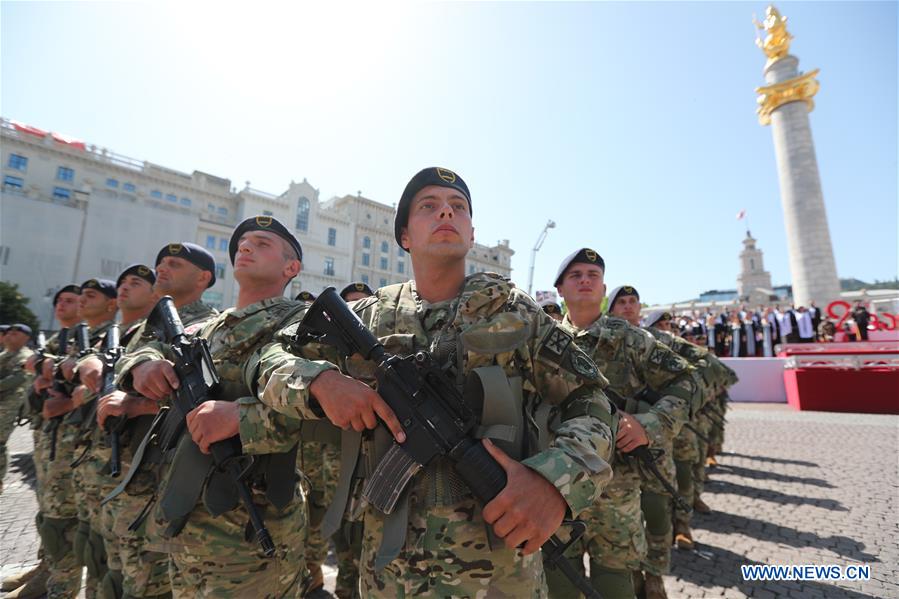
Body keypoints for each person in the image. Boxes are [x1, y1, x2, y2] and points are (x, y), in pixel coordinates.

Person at [248, 167, 616, 598]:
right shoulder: (370, 315)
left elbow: (591, 401)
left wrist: (556, 481)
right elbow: (265, 359)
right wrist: (319, 382)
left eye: (458, 207)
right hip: (390, 575)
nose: (446, 211)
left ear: (472, 233)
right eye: (429, 206)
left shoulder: (513, 311)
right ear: (404, 235)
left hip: (497, 573)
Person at [114, 217, 333, 597]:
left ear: (291, 268)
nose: (245, 247)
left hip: (251, 529)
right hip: (183, 516)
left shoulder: (302, 326)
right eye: (242, 244)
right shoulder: (206, 328)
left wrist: (241, 420)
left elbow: (324, 418)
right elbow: (147, 348)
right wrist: (142, 366)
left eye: (262, 243)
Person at [551, 250, 700, 599]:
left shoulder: (629, 338)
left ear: (603, 288)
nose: (585, 280)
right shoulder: (544, 340)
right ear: (559, 289)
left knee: (616, 583)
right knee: (559, 583)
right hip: (557, 489)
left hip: (615, 490)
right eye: (575, 275)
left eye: (592, 274)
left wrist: (650, 423)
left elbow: (688, 381)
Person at [98, 243, 218, 599]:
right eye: (160, 263)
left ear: (203, 278)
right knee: (118, 574)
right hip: (127, 473)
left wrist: (135, 406)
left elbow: (208, 402)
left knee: (153, 585)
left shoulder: (209, 326)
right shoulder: (148, 330)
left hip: (165, 481)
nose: (161, 269)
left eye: (174, 264)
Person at [5, 285, 82, 599]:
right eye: (59, 300)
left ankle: (55, 581)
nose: (62, 306)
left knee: (63, 520)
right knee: (47, 512)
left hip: (70, 443)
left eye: (73, 301)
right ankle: (42, 569)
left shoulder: (88, 341)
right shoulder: (55, 342)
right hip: (47, 439)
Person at [0, 323, 34, 493]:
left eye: (16, 332)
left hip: (9, 405)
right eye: (9, 332)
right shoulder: (5, 355)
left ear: (26, 338)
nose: (10, 335)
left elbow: (17, 379)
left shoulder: (26, 357)